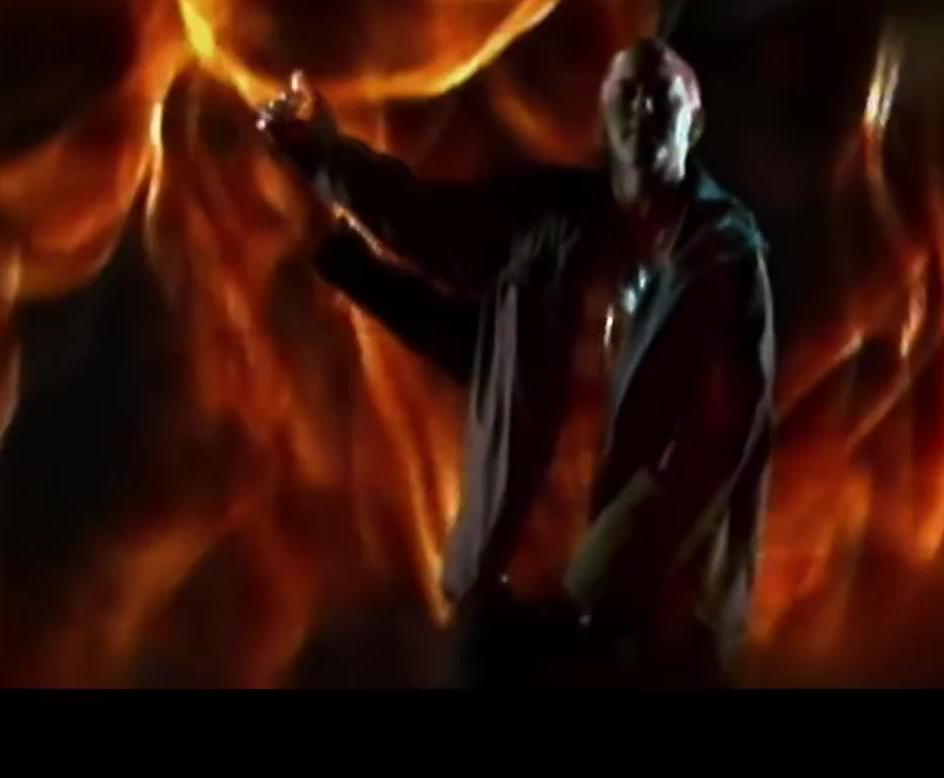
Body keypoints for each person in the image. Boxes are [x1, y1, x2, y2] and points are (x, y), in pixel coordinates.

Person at [257, 38, 775, 687]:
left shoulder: (723, 260)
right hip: (512, 601)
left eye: (662, 96)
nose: (644, 109)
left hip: (640, 631)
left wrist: (597, 574)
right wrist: (325, 161)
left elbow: (714, 442)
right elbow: (434, 237)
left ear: (693, 122)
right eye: (627, 93)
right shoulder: (551, 223)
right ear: (605, 113)